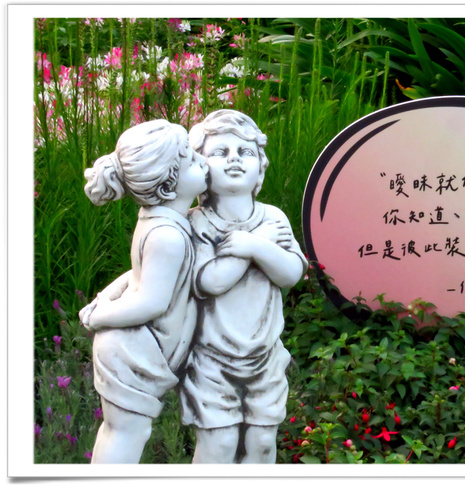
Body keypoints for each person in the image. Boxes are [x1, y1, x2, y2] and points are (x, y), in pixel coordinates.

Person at [180, 109, 307, 463]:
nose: (234, 158)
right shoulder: (196, 223)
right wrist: (256, 246)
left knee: (263, 442)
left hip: (265, 357)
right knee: (218, 445)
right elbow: (209, 281)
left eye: (245, 152)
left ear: (260, 169)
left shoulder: (273, 219)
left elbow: (291, 274)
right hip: (211, 360)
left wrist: (254, 245)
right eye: (220, 152)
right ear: (200, 166)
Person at [78, 119, 208, 463]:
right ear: (167, 186)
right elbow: (151, 301)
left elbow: (137, 274)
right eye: (192, 160)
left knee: (118, 430)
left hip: (132, 344)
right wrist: (100, 316)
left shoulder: (158, 219)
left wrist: (104, 297)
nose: (204, 160)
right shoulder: (168, 236)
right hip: (132, 349)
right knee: (126, 433)